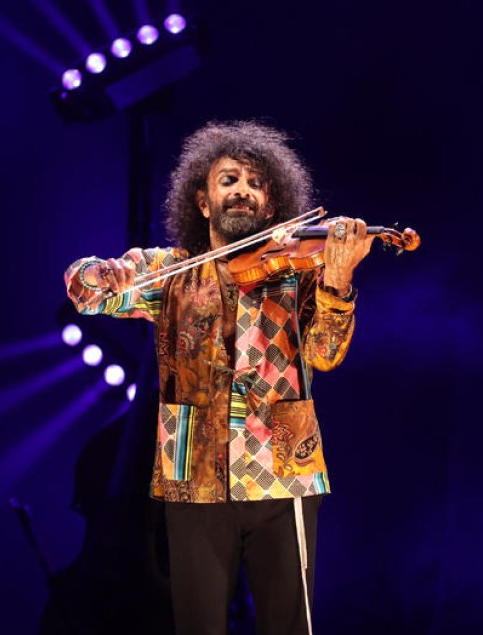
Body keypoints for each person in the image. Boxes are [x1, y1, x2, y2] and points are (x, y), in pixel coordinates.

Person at [63, 121, 373, 635]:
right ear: (204, 202)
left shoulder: (299, 274)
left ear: (271, 206)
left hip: (283, 472)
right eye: (229, 179)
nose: (242, 191)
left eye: (255, 183)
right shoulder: (172, 273)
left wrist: (338, 283)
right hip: (194, 476)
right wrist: (99, 273)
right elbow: (85, 292)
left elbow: (324, 354)